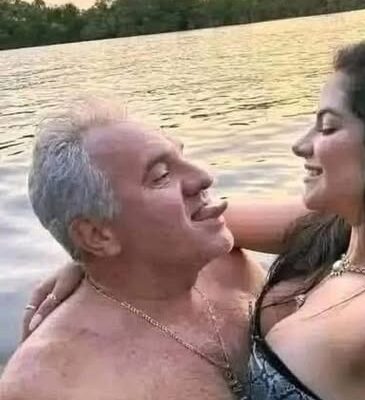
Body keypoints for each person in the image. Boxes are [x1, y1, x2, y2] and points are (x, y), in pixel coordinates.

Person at [16, 40, 365, 400]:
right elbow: (189, 221)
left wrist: (106, 240)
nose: (300, 144)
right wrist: (94, 260)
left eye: (328, 126)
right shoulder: (347, 231)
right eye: (162, 174)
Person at [0, 99, 280, 400]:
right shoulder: (49, 381)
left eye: (183, 156)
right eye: (161, 176)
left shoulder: (231, 268)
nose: (204, 176)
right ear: (97, 235)